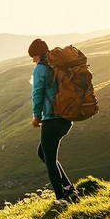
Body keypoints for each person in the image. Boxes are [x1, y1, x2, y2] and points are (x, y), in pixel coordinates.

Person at [28, 39, 79, 203]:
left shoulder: (41, 69)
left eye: (33, 56)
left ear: (37, 54)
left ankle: (61, 198)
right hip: (66, 118)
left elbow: (37, 94)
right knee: (43, 153)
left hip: (52, 119)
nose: (33, 60)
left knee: (49, 159)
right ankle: (68, 188)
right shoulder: (57, 66)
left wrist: (37, 116)